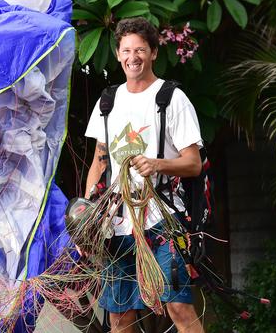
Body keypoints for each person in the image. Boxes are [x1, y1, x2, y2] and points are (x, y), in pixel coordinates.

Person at [84, 17, 206, 333]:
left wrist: (157, 164)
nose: (132, 57)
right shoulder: (107, 101)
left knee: (178, 307)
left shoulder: (172, 98)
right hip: (116, 224)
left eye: (140, 49)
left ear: (153, 52)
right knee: (119, 318)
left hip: (161, 219)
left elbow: (193, 163)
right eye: (126, 50)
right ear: (118, 54)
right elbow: (99, 163)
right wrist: (88, 218)